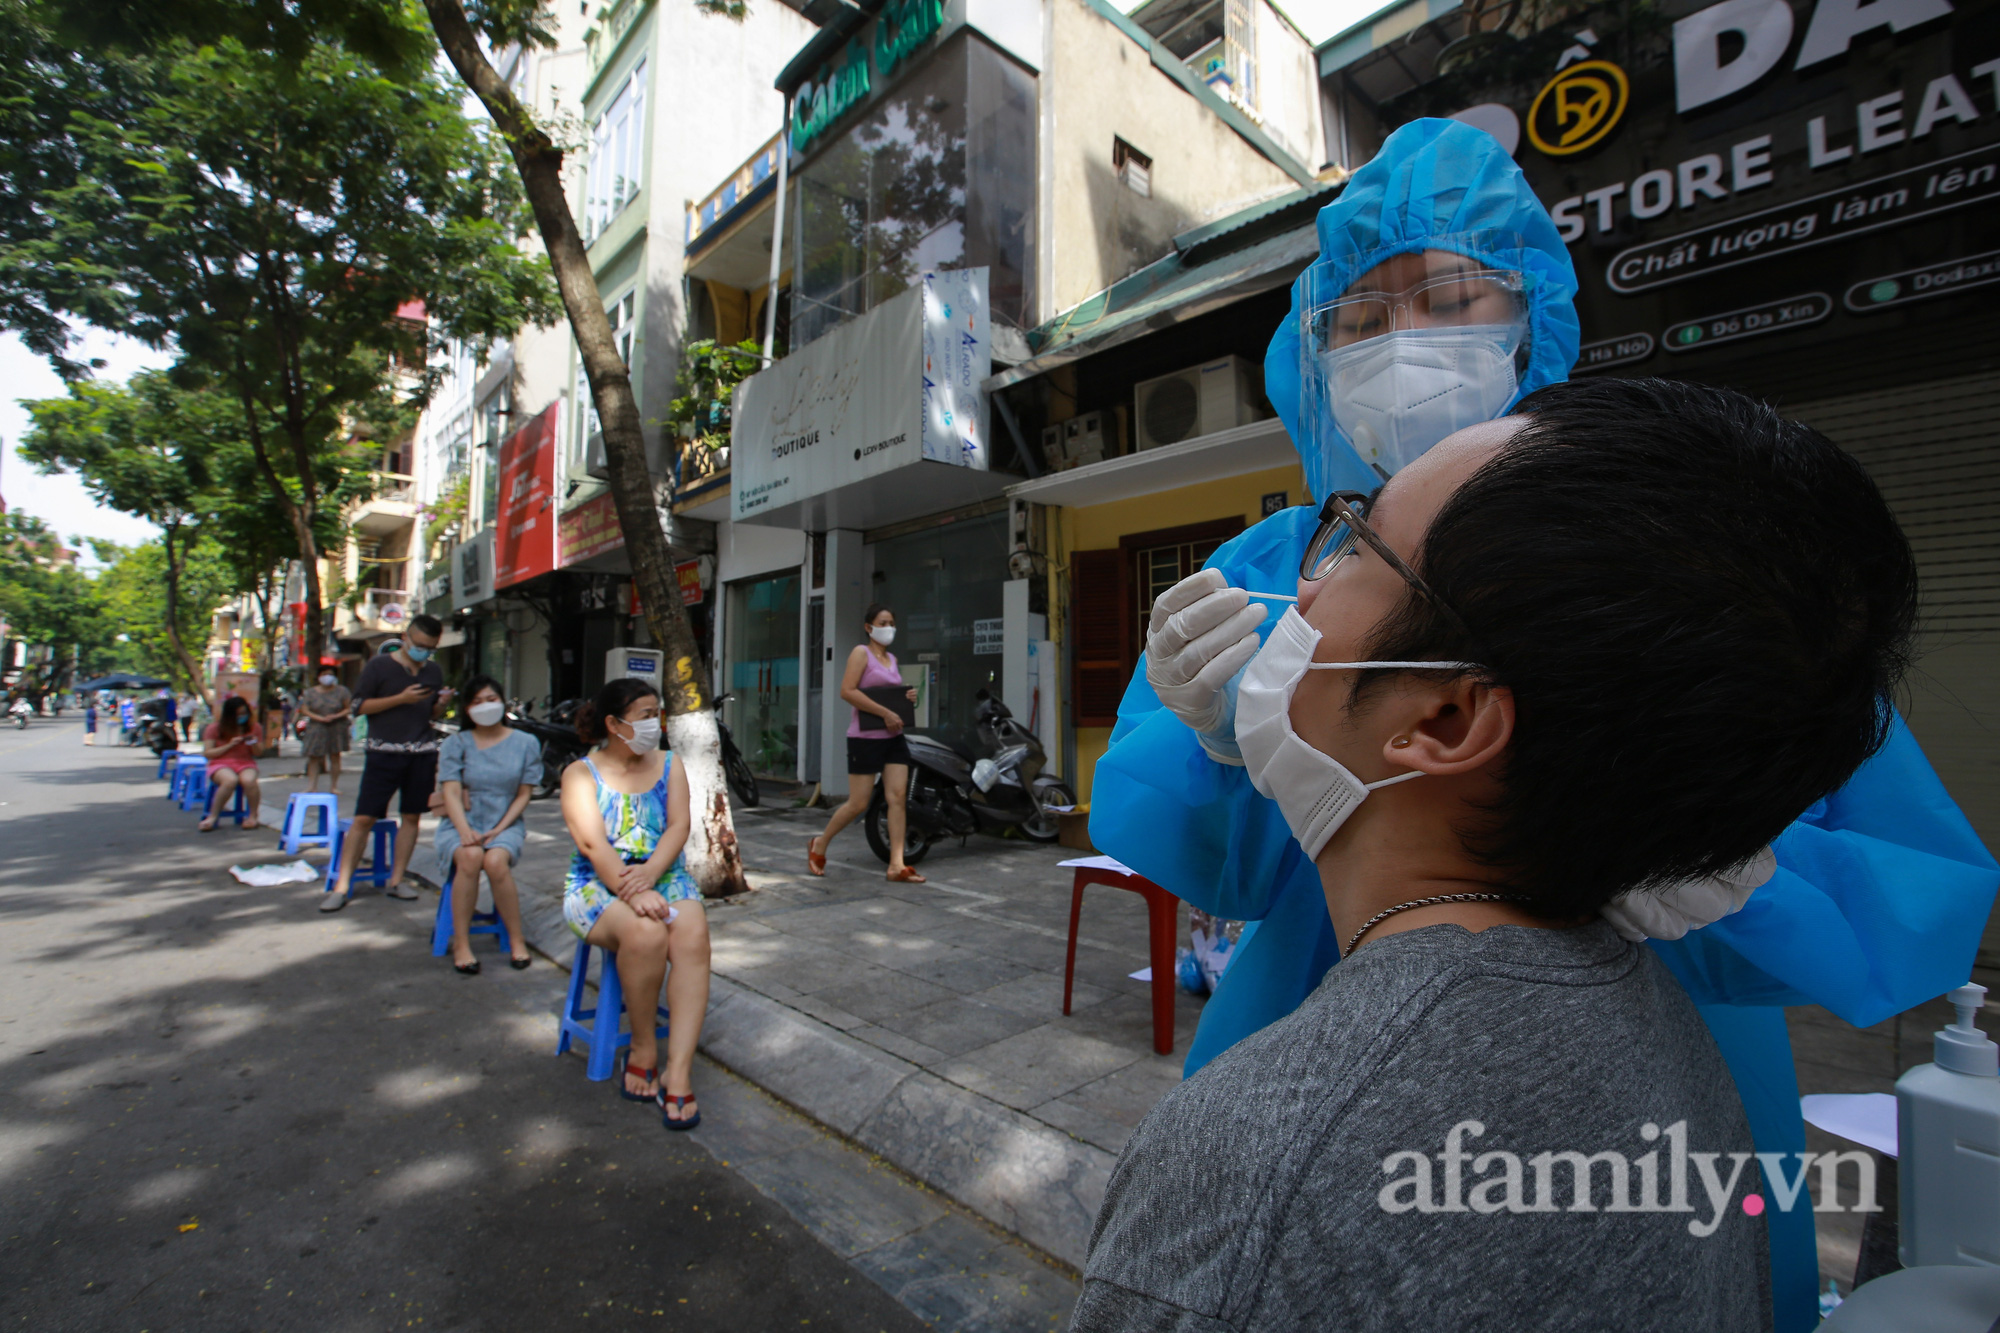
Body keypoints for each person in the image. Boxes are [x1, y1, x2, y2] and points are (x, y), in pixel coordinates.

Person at [1088, 118, 1998, 1330]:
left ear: (1533, 319)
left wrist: (1748, 874)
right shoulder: (1267, 563)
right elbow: (1215, 855)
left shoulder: (1663, 550)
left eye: (1446, 297)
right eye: (1358, 318)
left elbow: (1906, 876)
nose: (1400, 340)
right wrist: (1218, 741)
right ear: (1309, 353)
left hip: (1665, 1065)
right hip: (1329, 1013)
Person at [560, 677, 710, 1127]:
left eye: (656, 714)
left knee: (692, 932)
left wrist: (651, 875)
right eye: (645, 715)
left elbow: (678, 827)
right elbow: (592, 844)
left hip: (663, 872)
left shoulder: (670, 765)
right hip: (597, 883)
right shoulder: (579, 774)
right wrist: (633, 889)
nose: (654, 724)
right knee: (644, 933)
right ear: (614, 723)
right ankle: (643, 1046)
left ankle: (678, 1070)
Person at [323, 615, 452, 912]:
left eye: (430, 647)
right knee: (364, 818)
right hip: (383, 753)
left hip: (422, 753)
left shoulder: (433, 671)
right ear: (406, 637)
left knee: (411, 817)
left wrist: (440, 704)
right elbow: (357, 707)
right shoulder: (378, 667)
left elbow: (428, 713)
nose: (424, 651)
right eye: (419, 645)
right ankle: (342, 885)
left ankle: (397, 880)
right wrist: (400, 698)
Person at [806, 603, 923, 883]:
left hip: (894, 738)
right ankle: (820, 843)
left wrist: (908, 699)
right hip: (865, 737)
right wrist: (884, 712)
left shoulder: (892, 660)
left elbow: (890, 694)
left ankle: (897, 864)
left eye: (892, 622)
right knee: (858, 803)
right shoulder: (862, 653)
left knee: (897, 799)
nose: (888, 628)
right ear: (869, 627)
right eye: (882, 623)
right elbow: (847, 691)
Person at [434, 675, 538, 974]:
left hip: (506, 823)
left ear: (503, 701)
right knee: (469, 856)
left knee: (495, 861)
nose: (485, 706)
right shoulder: (456, 743)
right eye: (477, 701)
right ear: (466, 709)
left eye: (491, 699)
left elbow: (524, 794)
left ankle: (517, 941)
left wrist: (500, 828)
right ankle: (462, 943)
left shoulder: (526, 743)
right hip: (460, 822)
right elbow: (451, 791)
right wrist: (464, 829)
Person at [198, 695, 263, 831]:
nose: (242, 717)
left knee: (249, 781)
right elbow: (208, 753)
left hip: (245, 762)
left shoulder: (254, 727)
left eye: (244, 713)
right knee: (230, 780)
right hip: (221, 763)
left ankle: (253, 816)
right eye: (238, 714)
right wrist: (229, 745)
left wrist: (254, 743)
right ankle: (213, 816)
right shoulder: (214, 728)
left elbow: (259, 753)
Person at [298, 667, 353, 793]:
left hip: (337, 726)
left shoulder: (342, 691)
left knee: (335, 756)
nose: (327, 676)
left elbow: (348, 707)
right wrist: (319, 718)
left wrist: (335, 716)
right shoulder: (311, 692)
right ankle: (312, 786)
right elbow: (305, 709)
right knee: (314, 757)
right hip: (316, 727)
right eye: (324, 674)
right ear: (318, 676)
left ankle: (334, 786)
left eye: (330, 674)